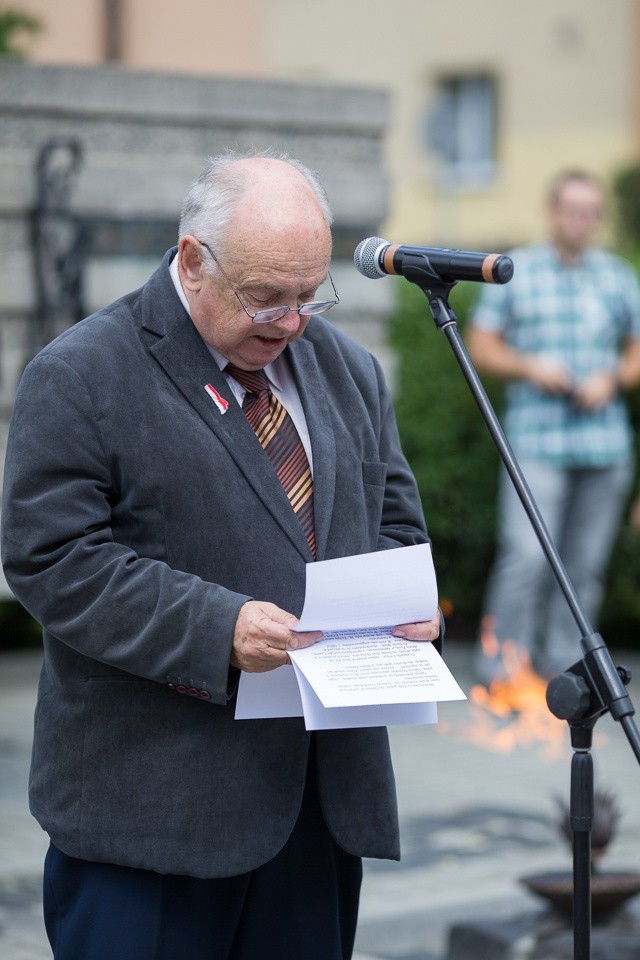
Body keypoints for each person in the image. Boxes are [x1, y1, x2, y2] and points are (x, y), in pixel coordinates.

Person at [1, 150, 441, 960]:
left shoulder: (347, 368)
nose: (291, 321)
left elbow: (395, 523)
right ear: (193, 261)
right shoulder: (82, 373)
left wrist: (412, 608)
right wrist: (218, 626)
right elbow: (52, 559)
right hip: (154, 820)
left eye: (309, 295)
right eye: (266, 296)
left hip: (316, 809)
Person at [467, 170, 640, 683]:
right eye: (574, 209)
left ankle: (564, 667)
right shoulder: (515, 270)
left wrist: (612, 378)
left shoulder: (617, 276)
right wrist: (530, 366)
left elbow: (636, 351)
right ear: (552, 211)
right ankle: (500, 667)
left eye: (592, 211)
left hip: (604, 446)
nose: (583, 221)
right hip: (536, 441)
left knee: (584, 568)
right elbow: (481, 345)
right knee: (525, 557)